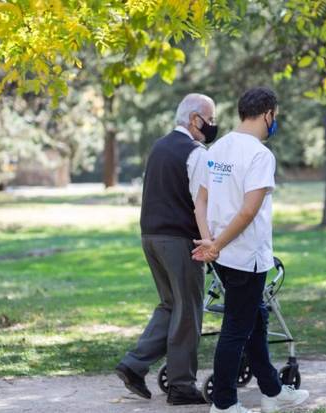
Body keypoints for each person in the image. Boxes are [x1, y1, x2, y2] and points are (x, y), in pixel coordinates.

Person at [192, 87, 309, 413]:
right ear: (268, 113)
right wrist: (214, 245)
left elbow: (199, 202)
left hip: (223, 256)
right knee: (235, 330)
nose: (275, 122)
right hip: (245, 257)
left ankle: (272, 391)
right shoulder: (259, 155)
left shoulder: (216, 148)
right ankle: (225, 403)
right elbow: (248, 211)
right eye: (276, 117)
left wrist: (211, 244)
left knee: (255, 319)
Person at [115, 93, 218, 406]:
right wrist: (210, 244)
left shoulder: (159, 147)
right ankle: (181, 385)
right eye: (210, 119)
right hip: (180, 240)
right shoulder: (196, 152)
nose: (213, 126)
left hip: (151, 236)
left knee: (171, 305)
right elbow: (201, 203)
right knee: (188, 311)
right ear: (194, 119)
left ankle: (133, 365)